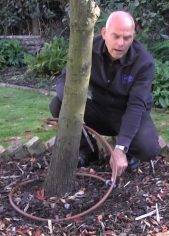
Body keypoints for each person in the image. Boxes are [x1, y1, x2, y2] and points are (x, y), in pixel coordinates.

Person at [49, 11, 160, 177]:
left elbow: (136, 106)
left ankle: (126, 153)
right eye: (115, 36)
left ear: (133, 36)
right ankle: (87, 150)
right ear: (104, 33)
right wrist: (71, 106)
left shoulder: (144, 63)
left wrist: (121, 147)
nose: (121, 43)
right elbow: (64, 80)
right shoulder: (87, 49)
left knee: (148, 149)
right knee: (58, 104)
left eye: (127, 37)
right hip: (99, 110)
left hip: (126, 114)